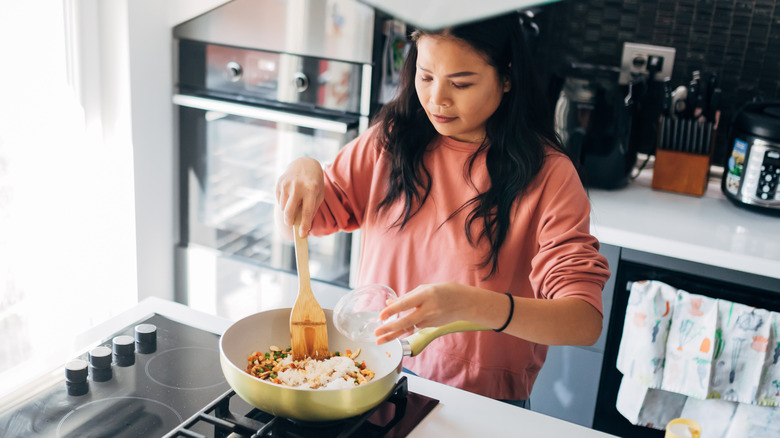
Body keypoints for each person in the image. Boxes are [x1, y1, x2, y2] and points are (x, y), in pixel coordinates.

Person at [274, 12, 611, 406]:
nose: (437, 99)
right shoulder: (392, 141)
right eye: (426, 75)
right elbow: (300, 223)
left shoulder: (549, 175)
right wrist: (304, 168)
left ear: (506, 77)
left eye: (461, 83)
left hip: (478, 402)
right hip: (371, 375)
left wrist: (465, 302)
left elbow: (583, 322)